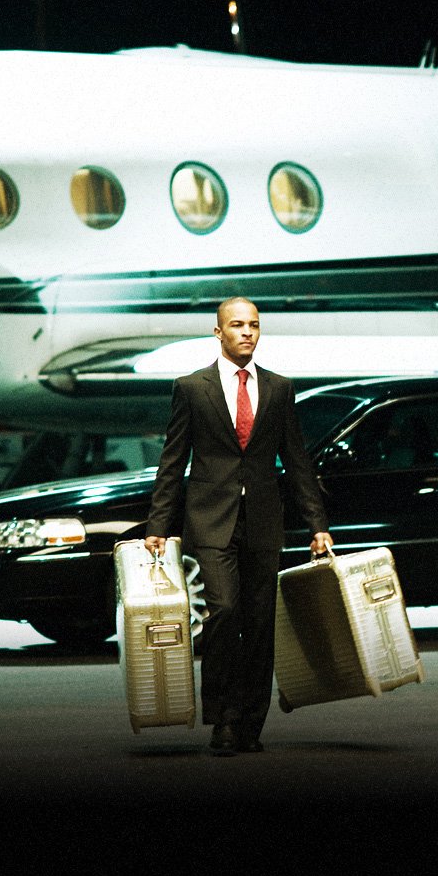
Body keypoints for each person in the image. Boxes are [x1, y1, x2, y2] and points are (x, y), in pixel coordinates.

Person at [145, 297, 332, 755]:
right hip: (210, 521)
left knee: (261, 623)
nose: (247, 332)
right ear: (218, 332)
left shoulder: (280, 389)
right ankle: (222, 719)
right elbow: (173, 462)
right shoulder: (191, 388)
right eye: (237, 325)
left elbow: (297, 462)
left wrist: (317, 524)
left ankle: (251, 722)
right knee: (224, 612)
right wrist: (158, 524)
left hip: (264, 523)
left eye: (253, 325)